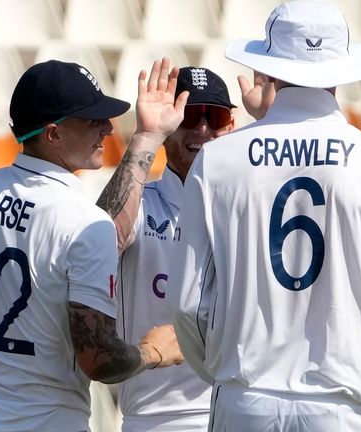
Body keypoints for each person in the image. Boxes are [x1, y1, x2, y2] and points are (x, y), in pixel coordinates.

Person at [168, 1, 361, 431]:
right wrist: (359, 349)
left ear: (268, 68)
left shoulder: (217, 160)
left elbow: (190, 303)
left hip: (244, 396)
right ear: (341, 67)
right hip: (343, 402)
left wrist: (223, 367)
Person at [0, 59, 183, 431]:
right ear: (53, 134)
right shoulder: (84, 222)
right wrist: (154, 352)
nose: (108, 128)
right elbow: (100, 360)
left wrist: (147, 136)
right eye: (92, 120)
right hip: (45, 421)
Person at [97, 66, 236, 431]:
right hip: (157, 418)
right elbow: (99, 244)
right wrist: (146, 134)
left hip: (238, 409)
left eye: (215, 116)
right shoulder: (144, 205)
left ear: (231, 126)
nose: (203, 129)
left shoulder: (250, 206)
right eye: (190, 115)